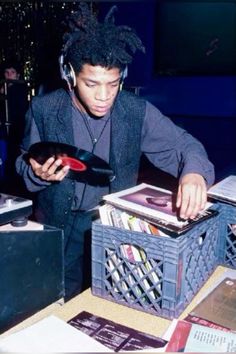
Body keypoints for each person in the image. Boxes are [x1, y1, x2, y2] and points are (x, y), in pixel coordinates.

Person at [16, 3, 214, 300]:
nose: (104, 96)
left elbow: (186, 147)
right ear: (69, 75)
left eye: (113, 84)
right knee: (54, 304)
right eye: (91, 84)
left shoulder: (137, 112)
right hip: (57, 228)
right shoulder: (44, 110)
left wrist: (195, 172)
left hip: (113, 229)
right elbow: (22, 164)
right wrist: (35, 173)